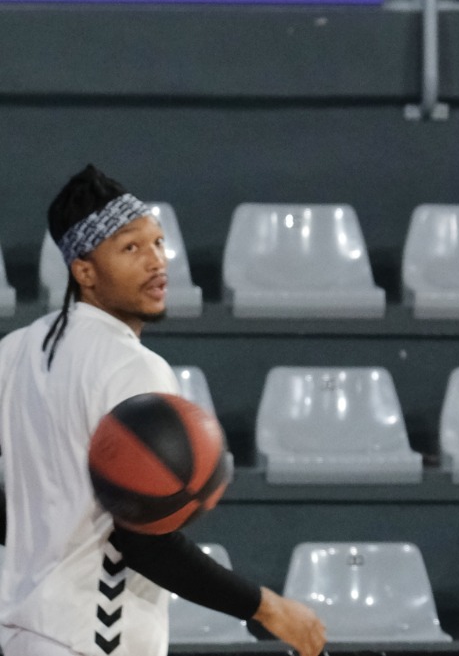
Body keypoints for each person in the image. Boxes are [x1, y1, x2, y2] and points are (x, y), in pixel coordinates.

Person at [0, 167, 327, 656]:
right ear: (84, 271)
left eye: (158, 242)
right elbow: (146, 543)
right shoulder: (133, 368)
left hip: (20, 634)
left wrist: (42, 533)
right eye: (130, 248)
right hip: (95, 638)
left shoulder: (15, 350)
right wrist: (267, 608)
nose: (156, 261)